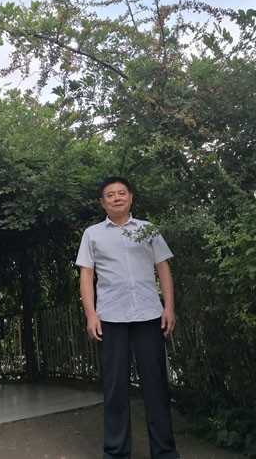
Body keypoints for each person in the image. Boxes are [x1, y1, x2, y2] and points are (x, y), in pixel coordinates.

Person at [76, 177, 180, 459]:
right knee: (115, 387)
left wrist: (169, 307)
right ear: (103, 203)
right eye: (110, 195)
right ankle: (116, 452)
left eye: (122, 193)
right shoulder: (92, 234)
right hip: (110, 318)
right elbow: (86, 275)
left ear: (131, 197)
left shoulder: (148, 230)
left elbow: (163, 268)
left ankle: (165, 451)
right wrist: (91, 315)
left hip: (149, 314)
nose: (117, 198)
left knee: (156, 385)